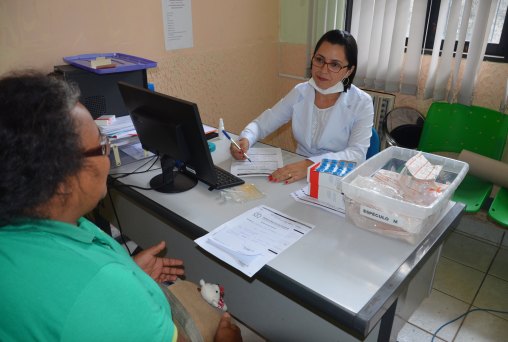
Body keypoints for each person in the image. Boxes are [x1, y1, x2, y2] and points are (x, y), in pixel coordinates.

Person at [0, 71, 242, 342]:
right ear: (62, 181)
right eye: (101, 146)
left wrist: (129, 273)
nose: (107, 154)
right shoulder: (103, 293)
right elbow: (93, 297)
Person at [230, 29, 374, 184]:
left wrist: (310, 165)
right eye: (319, 59)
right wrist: (245, 139)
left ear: (349, 70)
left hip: (335, 179)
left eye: (334, 64)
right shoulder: (300, 92)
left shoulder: (361, 102)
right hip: (297, 174)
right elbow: (262, 124)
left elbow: (357, 154)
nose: (323, 70)